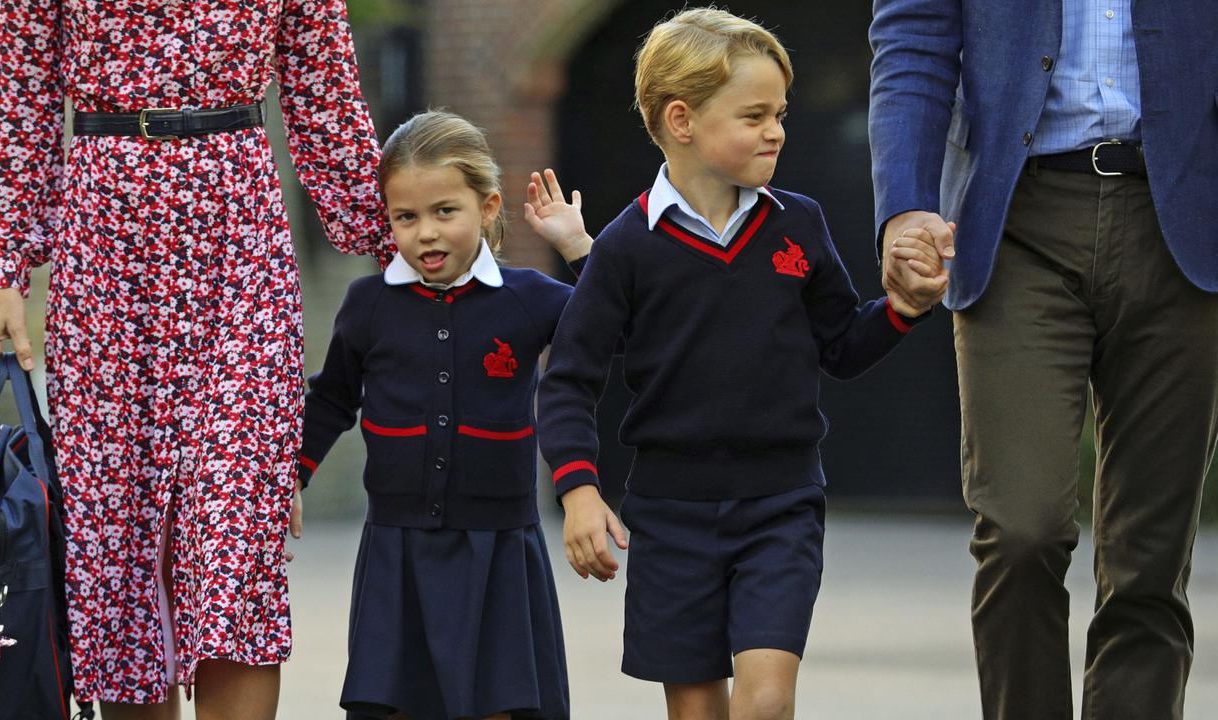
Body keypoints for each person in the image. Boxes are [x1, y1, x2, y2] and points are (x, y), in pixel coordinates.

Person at [0, 0, 393, 717]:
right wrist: (4, 272)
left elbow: (327, 94)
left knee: (237, 539)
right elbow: (23, 91)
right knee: (119, 546)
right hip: (105, 241)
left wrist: (398, 252)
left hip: (238, 239)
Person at [536, 8, 946, 720]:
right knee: (697, 711)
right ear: (682, 120)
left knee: (765, 703)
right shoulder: (625, 249)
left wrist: (903, 309)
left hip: (780, 508)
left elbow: (843, 346)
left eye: (780, 113)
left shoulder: (801, 224)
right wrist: (577, 491)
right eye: (754, 115)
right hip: (668, 514)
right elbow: (570, 378)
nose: (777, 130)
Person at [868, 2, 1218, 718]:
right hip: (1015, 215)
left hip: (1184, 216)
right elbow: (913, 37)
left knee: (1148, 563)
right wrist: (905, 203)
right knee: (1021, 530)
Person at [297, 110, 592, 720]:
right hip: (397, 549)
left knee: (500, 705)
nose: (425, 233)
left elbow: (623, 333)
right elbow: (331, 399)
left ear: (487, 208)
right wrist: (286, 478)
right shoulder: (369, 304)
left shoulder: (531, 299)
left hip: (499, 551)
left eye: (444, 212)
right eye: (406, 217)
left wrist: (578, 248)